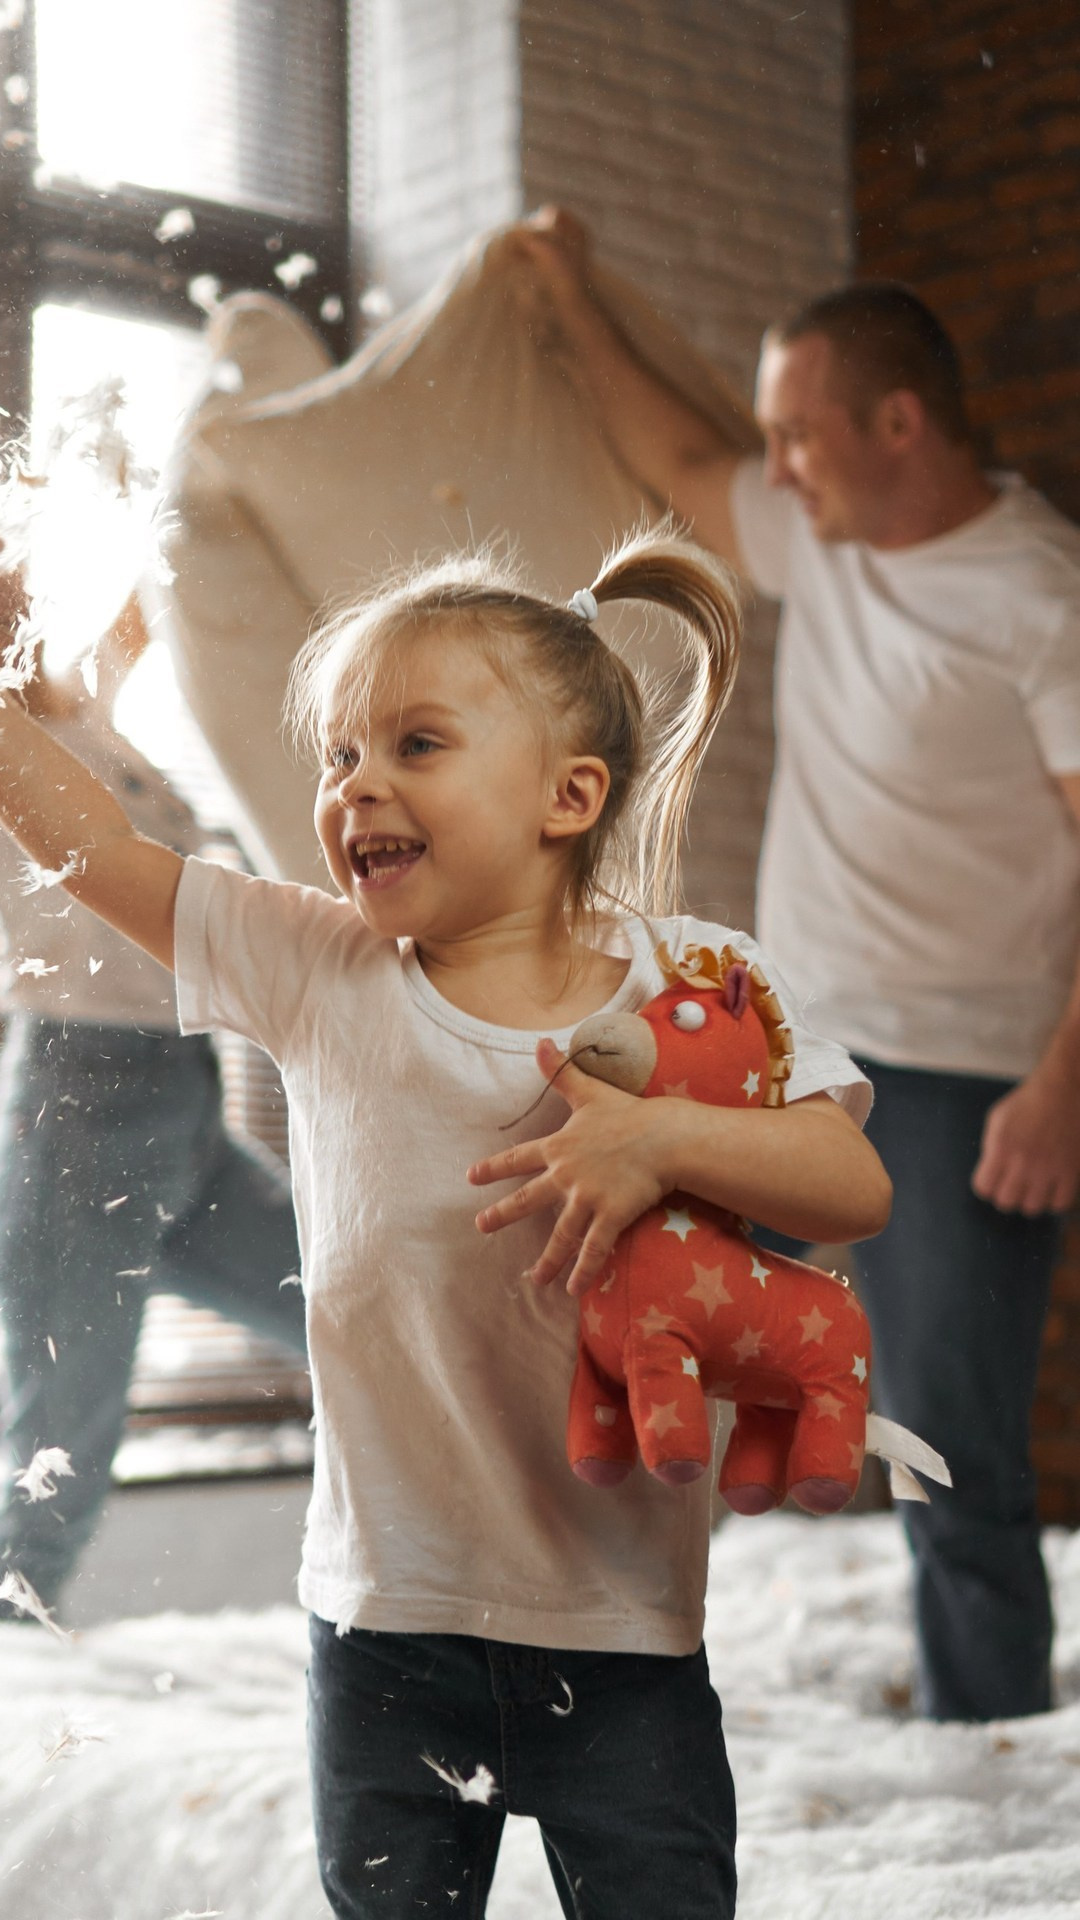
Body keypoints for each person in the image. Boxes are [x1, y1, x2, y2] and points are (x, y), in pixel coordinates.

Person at [0, 514, 889, 1918]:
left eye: (414, 746)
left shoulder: (697, 977)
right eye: (341, 756)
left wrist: (660, 1139)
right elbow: (104, 855)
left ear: (568, 797)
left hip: (623, 1632)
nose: (356, 786)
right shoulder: (319, 969)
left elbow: (850, 1177)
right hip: (384, 1631)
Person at [514, 205, 1080, 1723]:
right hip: (780, 1051)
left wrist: (1062, 1086)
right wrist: (575, 278)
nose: (774, 469)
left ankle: (996, 1767)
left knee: (948, 1442)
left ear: (900, 422)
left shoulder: (1043, 596)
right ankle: (602, 1691)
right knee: (642, 1345)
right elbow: (679, 460)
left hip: (969, 1077)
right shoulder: (822, 538)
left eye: (800, 433)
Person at [0, 394, 304, 1622]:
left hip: (180, 1110)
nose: (0, 565)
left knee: (349, 1314)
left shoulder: (72, 706)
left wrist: (203, 465)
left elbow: (156, 584)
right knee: (59, 1466)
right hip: (77, 1130)